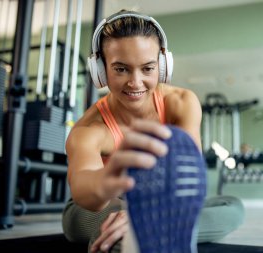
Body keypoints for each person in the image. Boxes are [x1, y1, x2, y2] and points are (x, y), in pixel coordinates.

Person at [62, 10, 244, 253]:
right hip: (106, 204)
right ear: (101, 70)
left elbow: (185, 177)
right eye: (120, 69)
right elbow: (84, 191)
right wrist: (106, 182)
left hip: (165, 199)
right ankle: (144, 232)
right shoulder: (89, 129)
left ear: (162, 66)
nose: (135, 83)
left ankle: (147, 230)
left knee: (233, 208)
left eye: (147, 69)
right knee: (101, 228)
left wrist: (148, 214)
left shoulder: (182, 103)